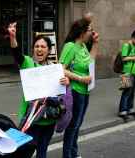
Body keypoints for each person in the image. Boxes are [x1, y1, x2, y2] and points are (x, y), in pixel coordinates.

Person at [8, 22, 69, 158]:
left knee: (42, 151)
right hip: (32, 120)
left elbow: (60, 93)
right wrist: (12, 37)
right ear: (33, 49)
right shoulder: (28, 63)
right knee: (24, 151)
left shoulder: (55, 68)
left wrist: (66, 82)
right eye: (36, 46)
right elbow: (16, 53)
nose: (39, 49)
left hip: (49, 119)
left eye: (43, 46)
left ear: (48, 50)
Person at [59, 18, 99, 158]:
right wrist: (81, 78)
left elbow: (91, 62)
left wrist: (95, 43)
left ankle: (74, 153)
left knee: (77, 125)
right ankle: (68, 155)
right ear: (82, 32)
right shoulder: (71, 46)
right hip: (75, 91)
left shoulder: (83, 46)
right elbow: (61, 69)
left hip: (85, 91)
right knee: (72, 126)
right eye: (90, 30)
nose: (92, 32)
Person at [118, 29, 135, 121]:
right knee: (126, 92)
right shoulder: (126, 45)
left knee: (132, 92)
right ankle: (122, 111)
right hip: (127, 72)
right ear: (133, 37)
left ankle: (130, 109)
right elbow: (124, 58)